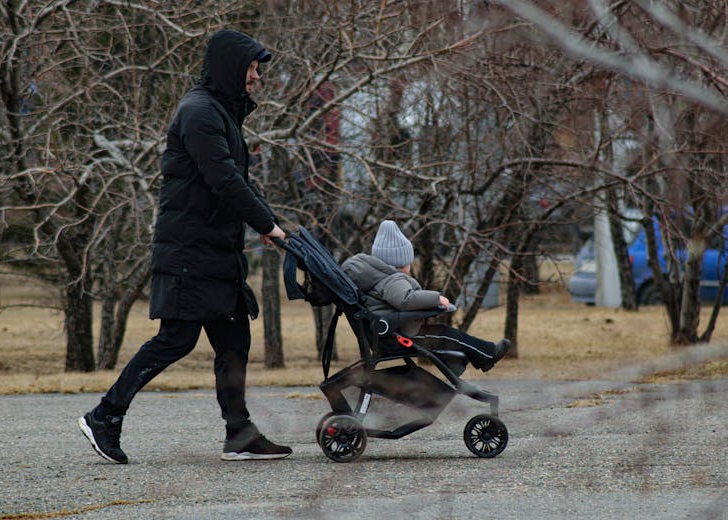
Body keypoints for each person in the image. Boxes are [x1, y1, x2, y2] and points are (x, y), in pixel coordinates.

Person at [78, 29, 291, 464]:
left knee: (234, 338)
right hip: (190, 252)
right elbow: (224, 180)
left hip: (215, 251)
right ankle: (105, 415)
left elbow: (237, 180)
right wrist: (266, 224)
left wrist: (271, 223)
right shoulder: (199, 113)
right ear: (232, 67)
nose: (256, 77)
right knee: (176, 339)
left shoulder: (221, 114)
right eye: (252, 68)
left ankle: (240, 433)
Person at [341, 220, 509, 372]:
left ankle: (475, 360)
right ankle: (488, 353)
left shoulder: (381, 278)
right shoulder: (393, 279)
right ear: (400, 262)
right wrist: (436, 299)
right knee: (449, 336)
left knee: (448, 336)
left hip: (392, 333)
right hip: (398, 336)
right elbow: (406, 300)